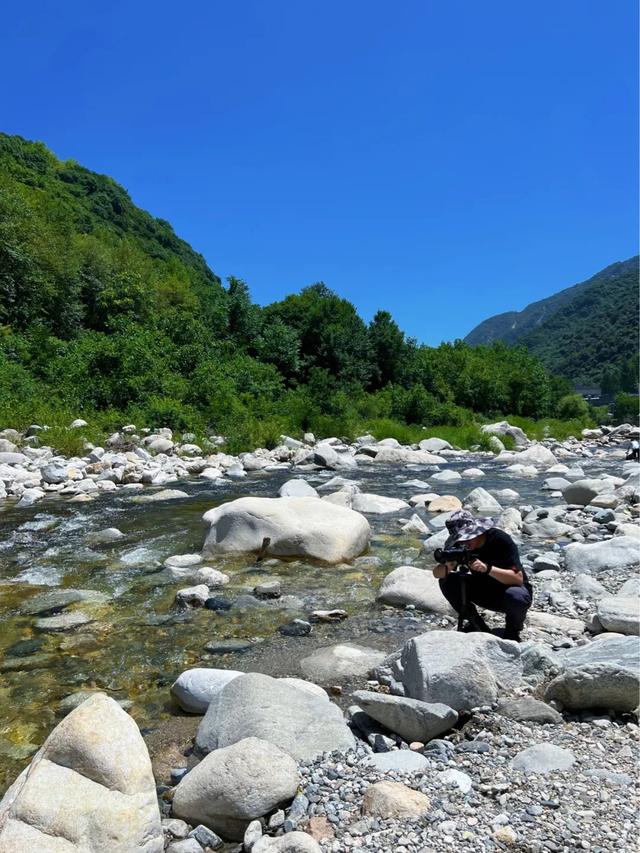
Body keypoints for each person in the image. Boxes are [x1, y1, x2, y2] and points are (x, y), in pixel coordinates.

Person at [432, 509, 532, 642]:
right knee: (448, 581)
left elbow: (518, 579)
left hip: (508, 592)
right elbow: (437, 574)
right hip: (483, 591)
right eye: (460, 539)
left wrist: (487, 569)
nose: (463, 543)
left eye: (467, 538)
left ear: (477, 531)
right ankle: (477, 624)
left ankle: (512, 632)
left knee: (516, 596)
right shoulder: (458, 546)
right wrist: (448, 565)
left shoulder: (499, 540)